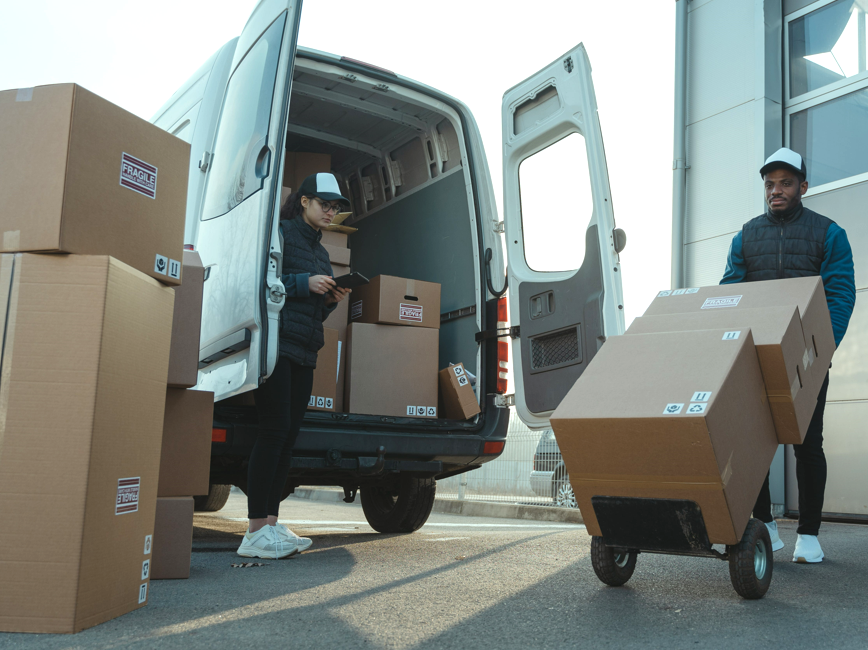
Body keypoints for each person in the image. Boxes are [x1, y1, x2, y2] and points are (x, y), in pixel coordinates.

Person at [720, 147, 855, 564]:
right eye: (770, 184)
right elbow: (730, 292)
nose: (776, 191)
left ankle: (810, 536)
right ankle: (767, 525)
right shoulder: (746, 236)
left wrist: (822, 350)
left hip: (807, 360)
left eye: (785, 183)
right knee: (753, 444)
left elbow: (840, 294)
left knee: (806, 444)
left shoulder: (828, 233)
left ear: (803, 186)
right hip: (755, 357)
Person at [237, 172, 352, 559]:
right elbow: (258, 282)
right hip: (275, 345)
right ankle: (253, 532)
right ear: (304, 201)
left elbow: (313, 314)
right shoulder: (281, 234)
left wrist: (332, 297)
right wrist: (305, 283)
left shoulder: (322, 252)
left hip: (305, 350)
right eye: (325, 204)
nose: (331, 212)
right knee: (272, 432)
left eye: (335, 207)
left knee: (288, 436)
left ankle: (270, 524)